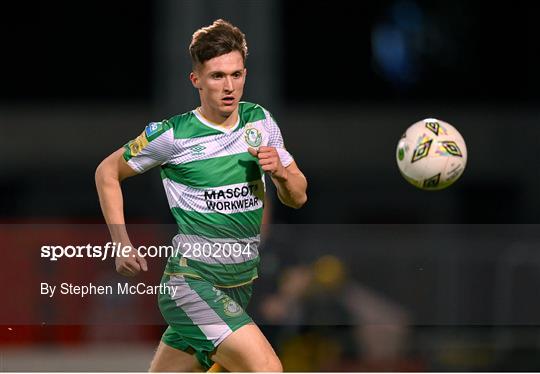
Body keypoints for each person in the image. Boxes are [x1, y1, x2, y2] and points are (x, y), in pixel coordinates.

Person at [95, 19, 307, 372]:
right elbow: (107, 172)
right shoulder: (173, 135)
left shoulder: (260, 122)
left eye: (236, 75)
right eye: (217, 76)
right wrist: (121, 242)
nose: (229, 87)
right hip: (191, 286)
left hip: (239, 286)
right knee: (267, 368)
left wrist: (282, 174)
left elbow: (298, 196)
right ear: (196, 80)